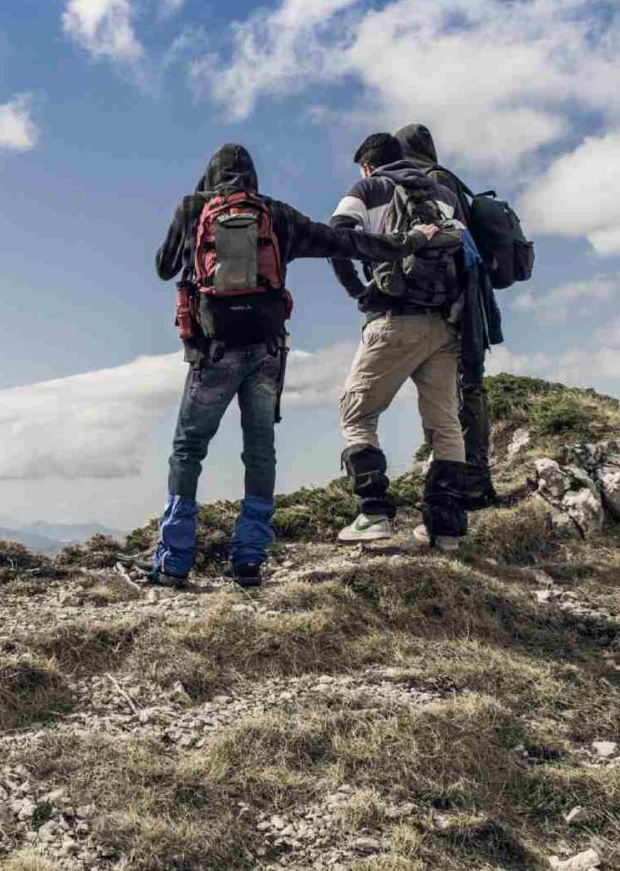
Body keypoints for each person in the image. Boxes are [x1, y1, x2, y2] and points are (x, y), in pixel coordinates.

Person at [152, 143, 405, 588]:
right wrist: (401, 247)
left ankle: (173, 561)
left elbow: (163, 266)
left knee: (188, 450)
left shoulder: (196, 208)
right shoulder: (277, 214)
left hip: (212, 352)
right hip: (266, 354)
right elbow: (338, 240)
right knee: (260, 453)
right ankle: (248, 562)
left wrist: (195, 204)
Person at [328, 133, 474, 551]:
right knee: (445, 423)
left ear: (367, 166)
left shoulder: (368, 188)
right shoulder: (442, 193)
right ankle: (445, 529)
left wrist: (359, 291)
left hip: (394, 320)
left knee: (356, 413)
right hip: (445, 325)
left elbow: (337, 236)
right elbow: (465, 253)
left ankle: (373, 514)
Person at [394, 123, 503, 508]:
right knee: (464, 386)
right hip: (470, 297)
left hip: (452, 302)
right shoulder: (449, 179)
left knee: (456, 388)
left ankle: (463, 481)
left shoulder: (426, 182)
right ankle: (470, 478)